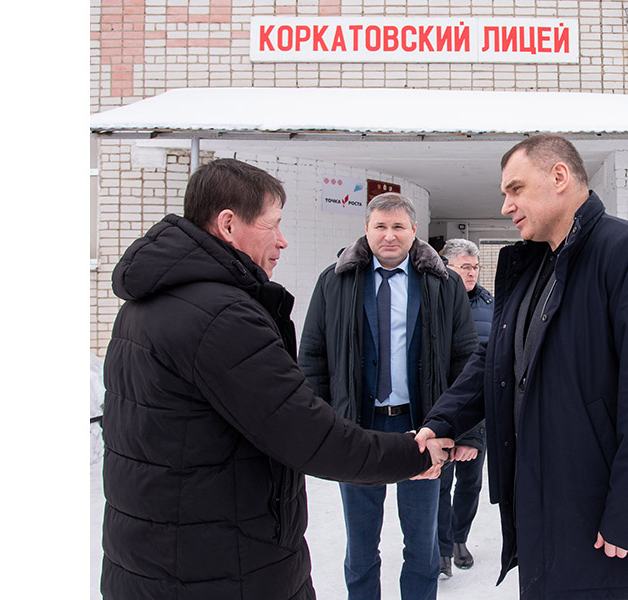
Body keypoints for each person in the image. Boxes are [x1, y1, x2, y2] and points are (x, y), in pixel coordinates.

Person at [100, 159, 452, 600]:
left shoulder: (146, 305)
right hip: (220, 564)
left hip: (157, 556)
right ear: (229, 224)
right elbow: (304, 430)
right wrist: (412, 456)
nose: (282, 240)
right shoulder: (221, 317)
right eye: (273, 224)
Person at [415, 135, 628, 599]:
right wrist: (443, 420)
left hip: (604, 520)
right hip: (542, 508)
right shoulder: (533, 266)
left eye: (515, 189)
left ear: (559, 176)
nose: (506, 206)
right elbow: (496, 358)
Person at [299, 193, 478, 600]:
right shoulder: (335, 281)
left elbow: (465, 359)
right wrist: (321, 427)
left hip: (422, 430)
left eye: (398, 226)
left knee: (422, 544)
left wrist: (466, 431)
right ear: (366, 229)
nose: (389, 235)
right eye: (380, 226)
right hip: (357, 429)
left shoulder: (443, 284)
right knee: (361, 546)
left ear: (414, 231)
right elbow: (312, 356)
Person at [436, 238, 494, 578]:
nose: (471, 273)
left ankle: (459, 538)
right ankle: (442, 548)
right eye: (464, 267)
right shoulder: (432, 300)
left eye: (475, 267)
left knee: (470, 483)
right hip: (441, 410)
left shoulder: (491, 304)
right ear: (446, 266)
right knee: (440, 483)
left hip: (478, 413)